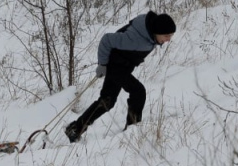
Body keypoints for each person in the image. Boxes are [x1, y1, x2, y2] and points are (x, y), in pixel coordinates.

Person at [65, 11, 176, 143]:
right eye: (166, 35)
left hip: (123, 65)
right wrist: (102, 64)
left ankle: (75, 129)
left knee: (107, 101)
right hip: (115, 66)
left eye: (170, 35)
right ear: (156, 31)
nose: (168, 39)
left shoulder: (149, 33)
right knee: (138, 91)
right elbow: (106, 40)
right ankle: (132, 131)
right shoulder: (134, 39)